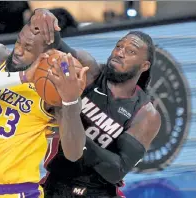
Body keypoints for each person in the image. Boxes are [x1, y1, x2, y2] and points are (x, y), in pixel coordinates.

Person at [0, 8, 99, 198]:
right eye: (18, 42)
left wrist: (71, 102)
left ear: (46, 55)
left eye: (28, 49)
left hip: (18, 192)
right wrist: (22, 77)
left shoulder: (53, 91)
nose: (18, 51)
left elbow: (74, 153)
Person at [35, 13, 161, 197]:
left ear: (144, 65)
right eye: (119, 46)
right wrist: (46, 20)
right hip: (56, 183)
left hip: (99, 191)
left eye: (130, 51)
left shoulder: (145, 114)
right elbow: (57, 45)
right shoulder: (89, 70)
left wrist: (70, 129)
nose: (119, 52)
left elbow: (116, 170)